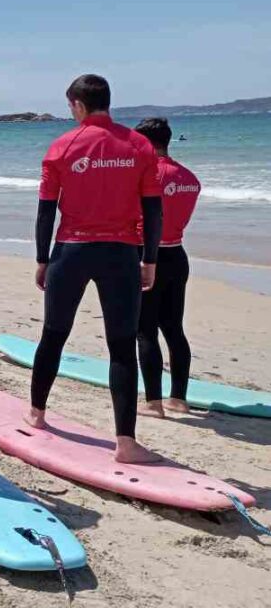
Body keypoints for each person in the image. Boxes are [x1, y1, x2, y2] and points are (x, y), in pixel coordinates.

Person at [30, 74, 163, 463]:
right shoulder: (139, 146)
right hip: (121, 253)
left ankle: (37, 414)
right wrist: (150, 258)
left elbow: (45, 210)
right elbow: (153, 209)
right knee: (122, 347)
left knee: (53, 334)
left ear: (78, 105)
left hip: (70, 251)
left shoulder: (62, 145)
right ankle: (125, 443)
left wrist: (42, 258)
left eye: (70, 106)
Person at [133, 118, 201, 419]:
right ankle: (179, 399)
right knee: (174, 329)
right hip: (177, 255)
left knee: (145, 330)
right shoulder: (190, 178)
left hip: (148, 256)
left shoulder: (145, 176)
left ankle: (152, 403)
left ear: (145, 143)